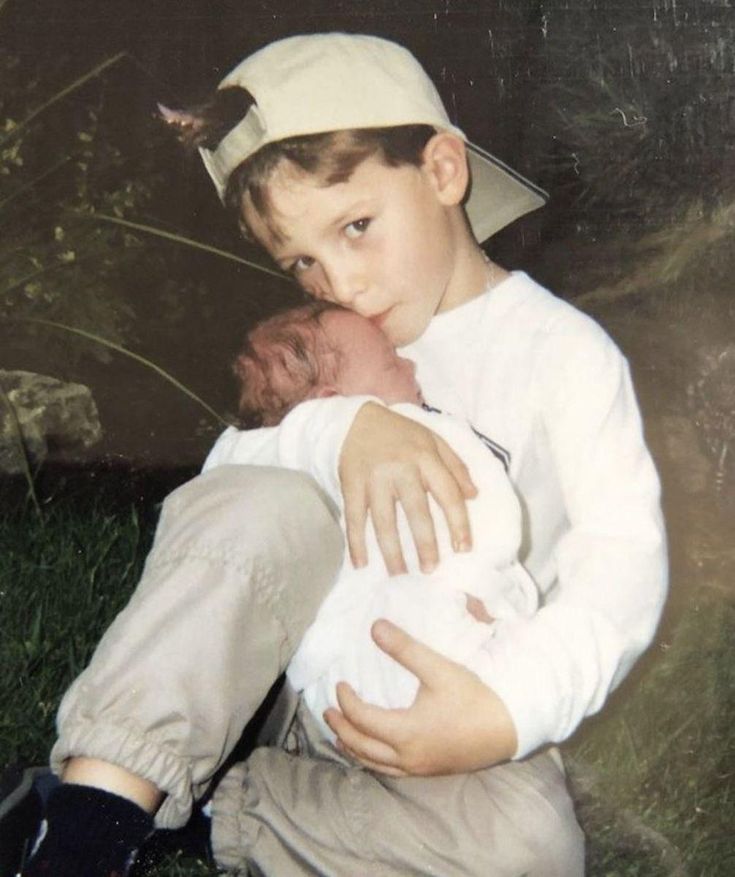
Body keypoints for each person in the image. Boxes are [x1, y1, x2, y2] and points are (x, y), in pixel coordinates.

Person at [0, 32, 667, 877]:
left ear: (442, 172)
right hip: (272, 677)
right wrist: (336, 428)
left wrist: (503, 711)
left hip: (441, 696)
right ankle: (93, 817)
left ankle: (213, 812)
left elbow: (620, 570)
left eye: (356, 227)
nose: (339, 285)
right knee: (263, 497)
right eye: (302, 261)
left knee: (532, 851)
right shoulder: (330, 345)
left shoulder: (564, 354)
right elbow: (222, 486)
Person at [222, 301, 539, 740]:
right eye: (391, 364)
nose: (409, 365)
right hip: (420, 637)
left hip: (341, 688)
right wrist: (494, 593)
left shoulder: (286, 463)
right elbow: (489, 514)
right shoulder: (402, 432)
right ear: (334, 405)